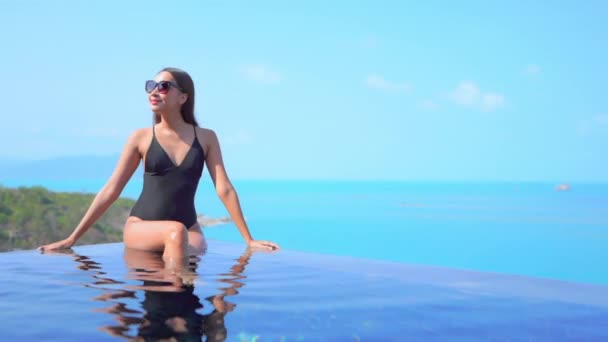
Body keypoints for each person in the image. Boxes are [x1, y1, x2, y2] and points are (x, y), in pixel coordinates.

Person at [38, 67, 280, 267]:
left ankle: (180, 309)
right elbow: (112, 189)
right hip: (141, 228)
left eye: (163, 87)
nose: (154, 92)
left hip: (190, 230)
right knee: (175, 237)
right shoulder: (140, 137)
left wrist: (249, 240)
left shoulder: (206, 138)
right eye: (150, 86)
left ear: (183, 97)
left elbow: (224, 189)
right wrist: (72, 238)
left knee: (179, 244)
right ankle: (181, 293)